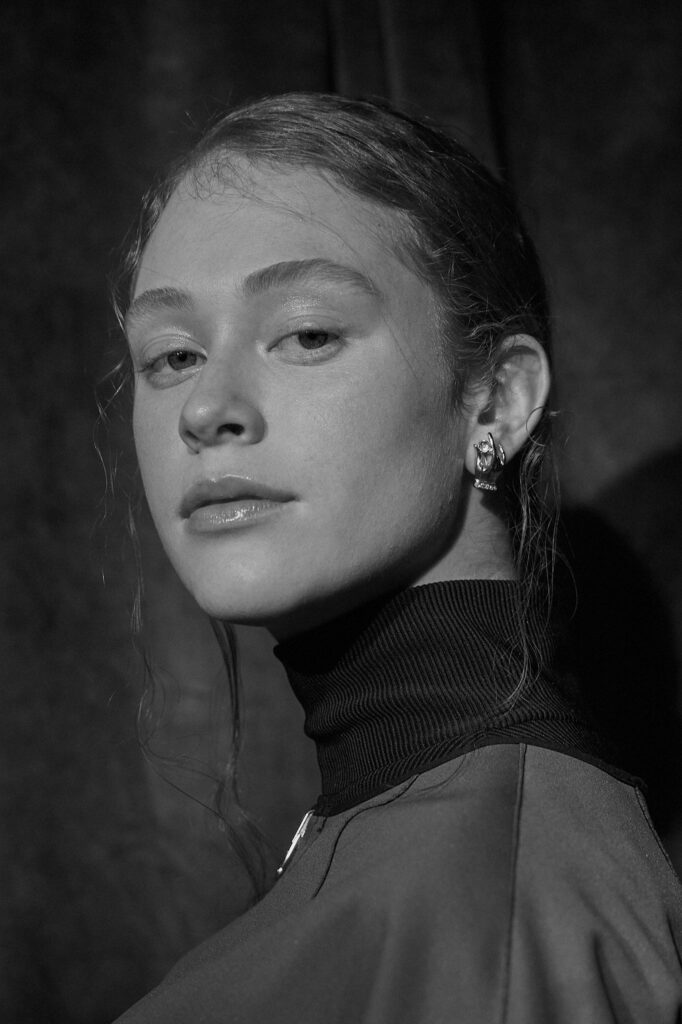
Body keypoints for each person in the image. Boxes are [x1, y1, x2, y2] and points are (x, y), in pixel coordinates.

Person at [113, 93, 682, 1023]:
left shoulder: (493, 890)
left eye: (307, 334)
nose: (206, 408)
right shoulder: (433, 843)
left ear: (496, 401)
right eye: (172, 356)